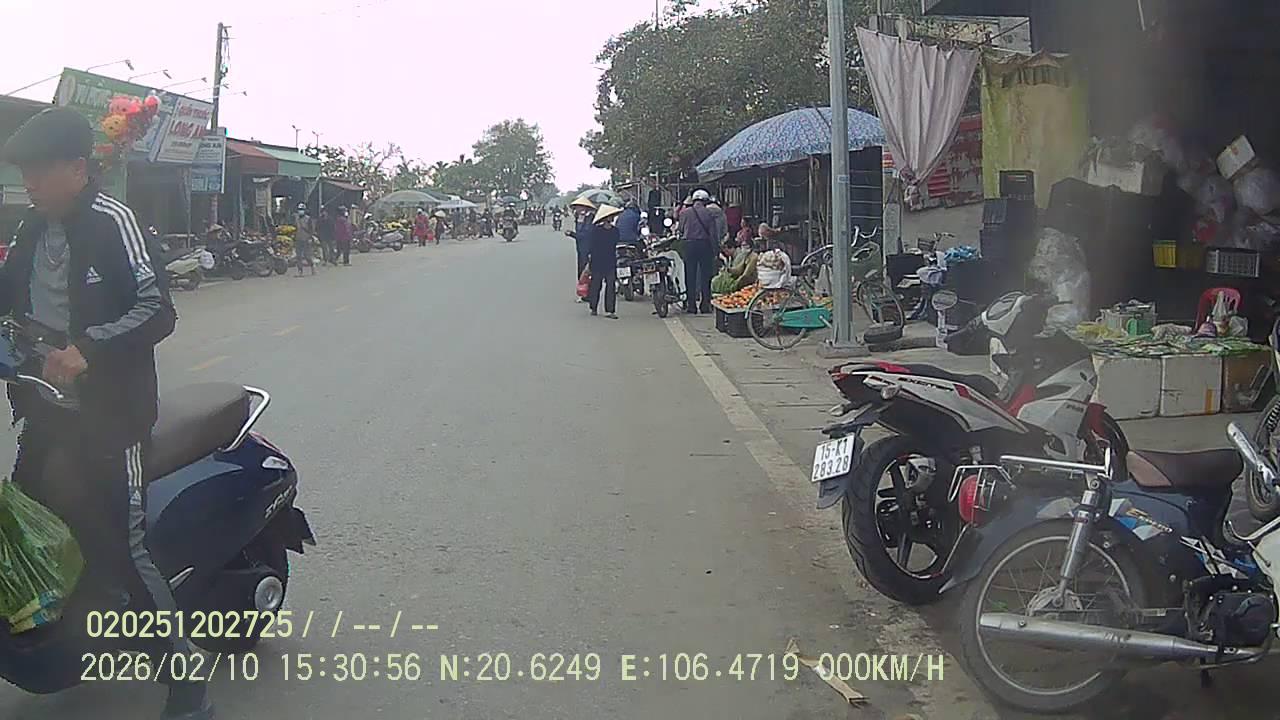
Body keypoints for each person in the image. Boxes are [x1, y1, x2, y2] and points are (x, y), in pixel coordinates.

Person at [0, 107, 211, 720]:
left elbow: (157, 308)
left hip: (112, 419)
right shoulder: (33, 228)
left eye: (40, 171)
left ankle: (186, 677)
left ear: (77, 169)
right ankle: (66, 643)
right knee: (27, 530)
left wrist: (86, 349)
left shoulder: (113, 221)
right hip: (47, 415)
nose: (30, 183)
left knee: (122, 543)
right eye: (24, 172)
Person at [679, 189, 716, 314]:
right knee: (706, 276)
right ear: (705, 201)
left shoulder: (684, 213)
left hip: (689, 245)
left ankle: (691, 305)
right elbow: (713, 234)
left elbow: (680, 229)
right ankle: (705, 305)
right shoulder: (709, 213)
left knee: (690, 275)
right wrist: (715, 250)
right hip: (704, 245)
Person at [586, 204, 622, 318]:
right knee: (596, 285)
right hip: (597, 261)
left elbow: (615, 244)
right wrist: (590, 261)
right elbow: (591, 246)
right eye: (609, 216)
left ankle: (610, 310)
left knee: (611, 286)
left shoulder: (615, 231)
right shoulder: (596, 230)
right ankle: (593, 308)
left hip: (610, 261)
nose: (611, 218)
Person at [567, 196, 597, 292]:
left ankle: (589, 291)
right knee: (581, 269)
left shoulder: (590, 218)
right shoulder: (579, 217)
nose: (577, 209)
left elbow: (587, 234)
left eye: (578, 207)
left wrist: (572, 234)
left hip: (589, 247)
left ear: (584, 207)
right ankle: (583, 290)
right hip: (580, 247)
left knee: (587, 270)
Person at [295, 204, 316, 276]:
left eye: (301, 210)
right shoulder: (296, 218)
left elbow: (311, 229)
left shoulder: (308, 219)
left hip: (306, 239)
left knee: (307, 256)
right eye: (299, 209)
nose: (300, 211)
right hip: (298, 239)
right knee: (298, 256)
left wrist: (310, 237)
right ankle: (300, 271)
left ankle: (312, 265)